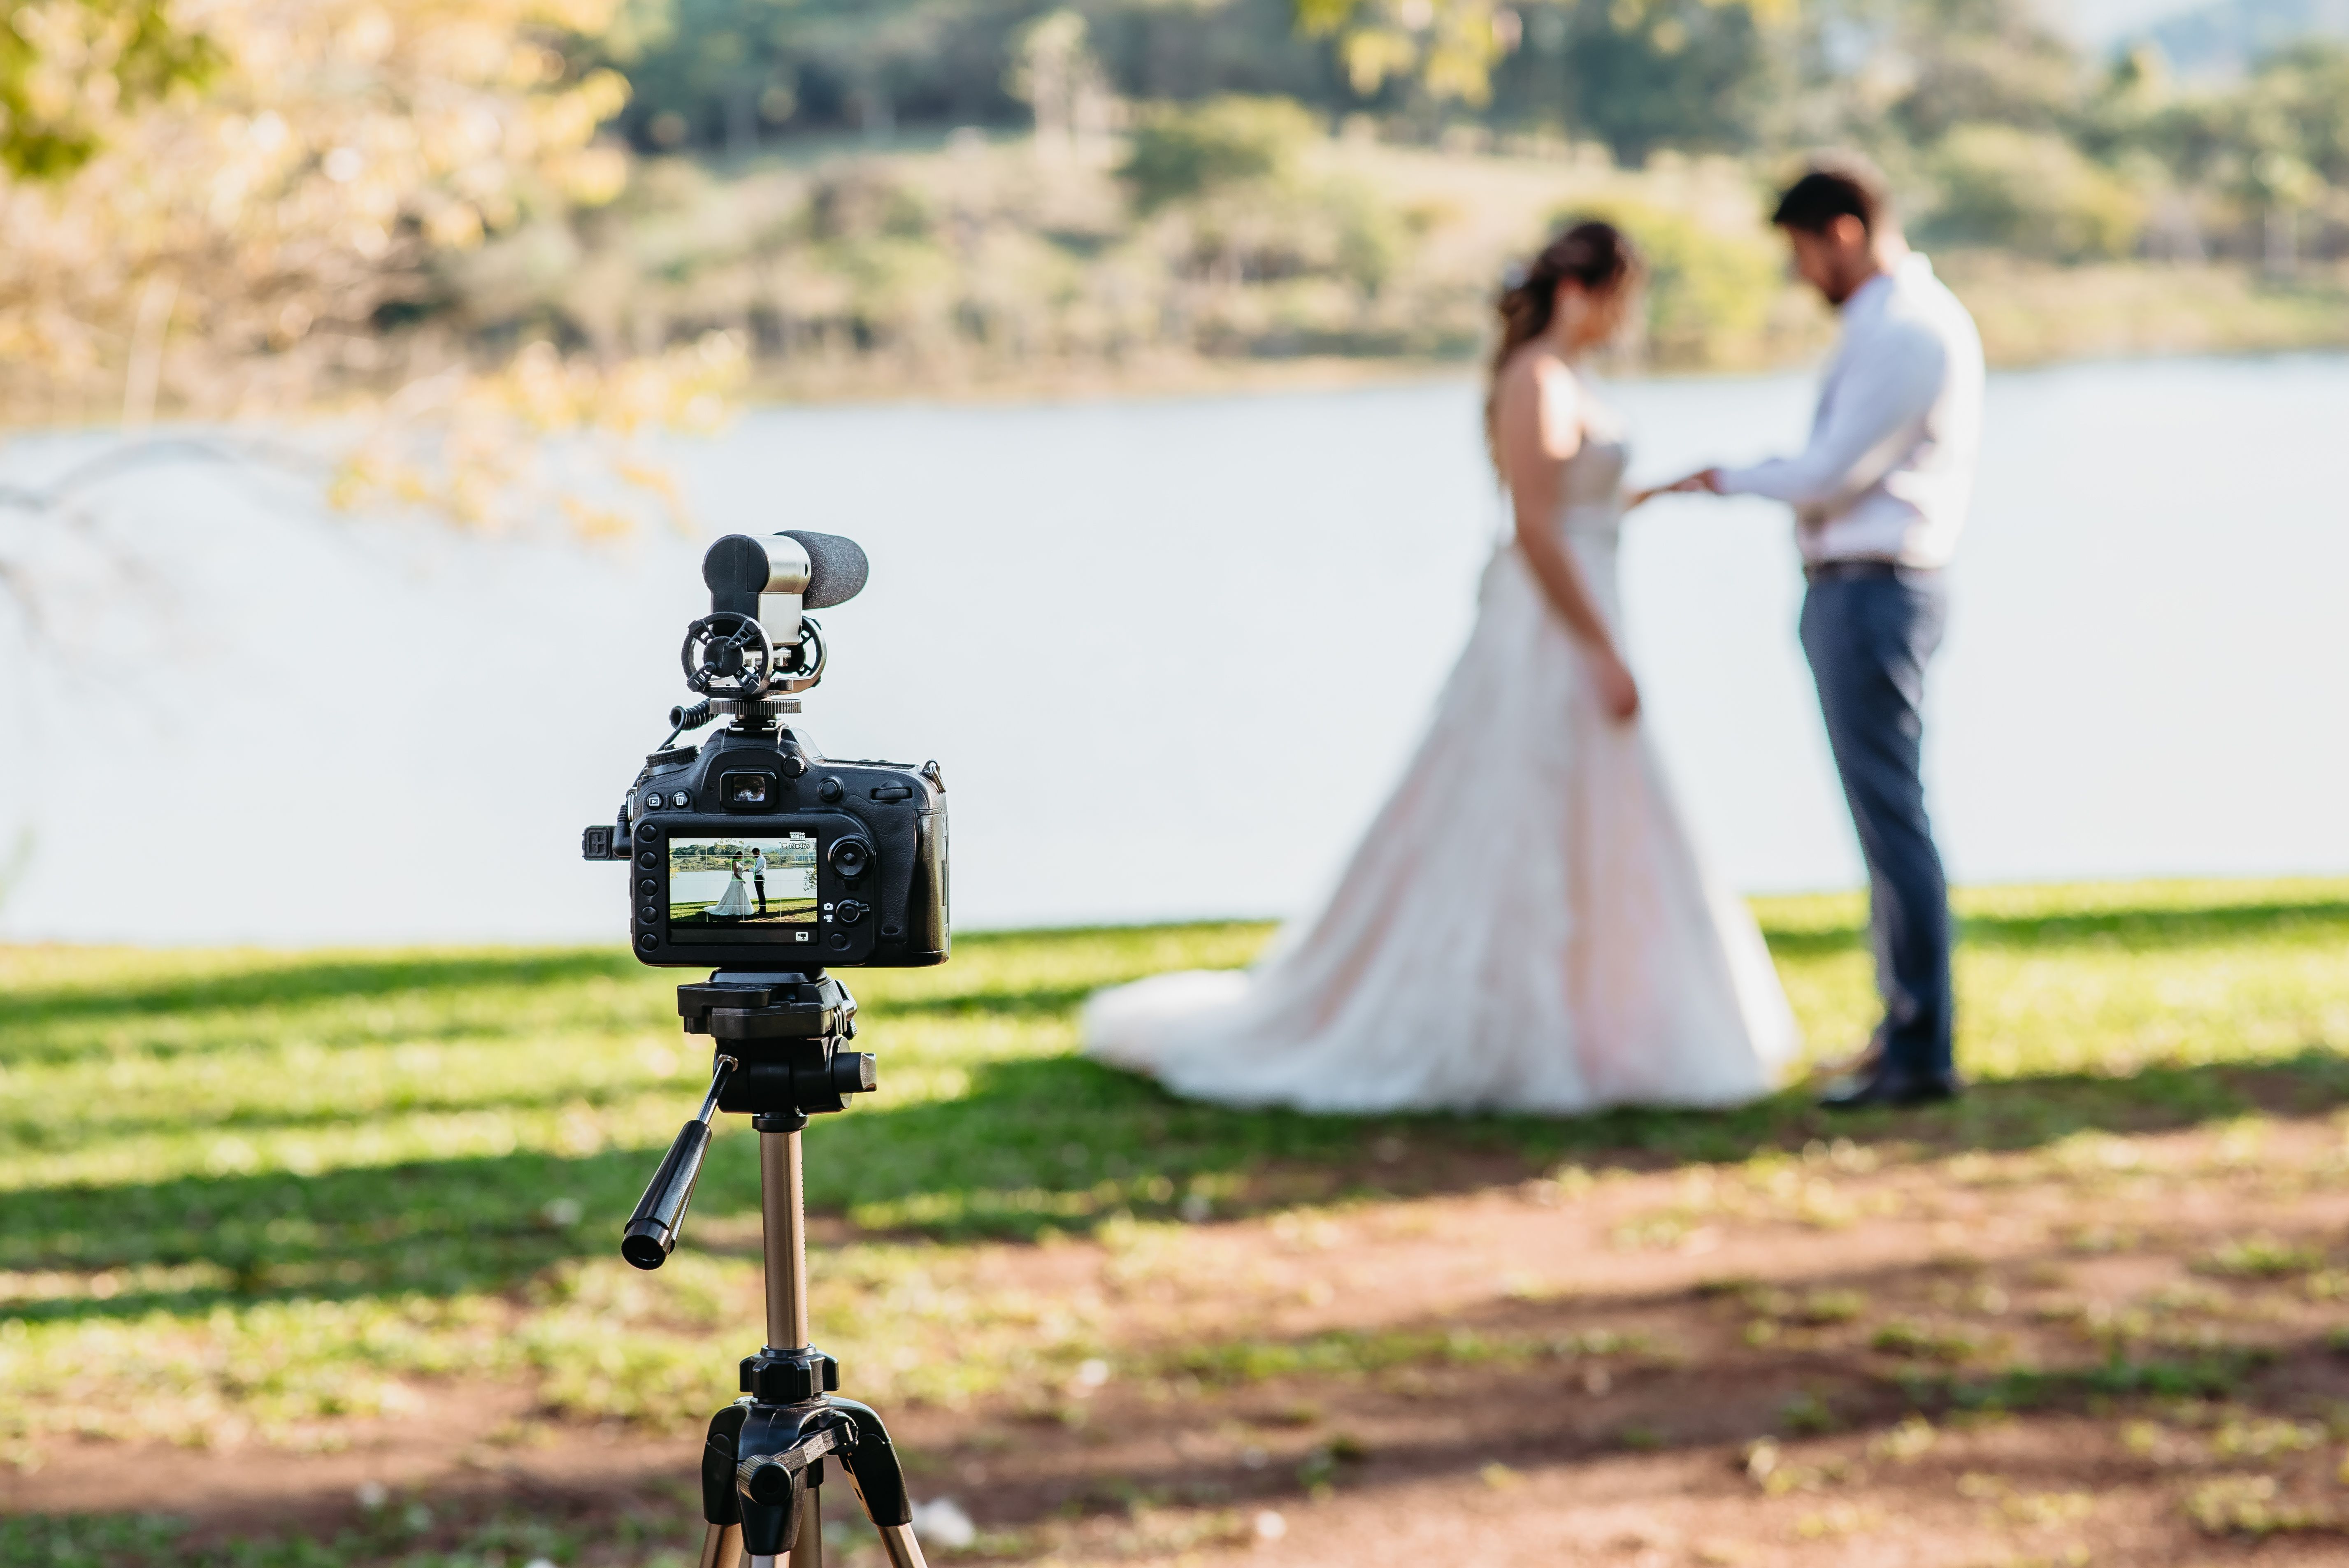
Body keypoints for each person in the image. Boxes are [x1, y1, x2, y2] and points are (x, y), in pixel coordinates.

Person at [1081, 221, 1798, 1114]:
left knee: (1597, 812)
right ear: (1580, 292)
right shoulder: (1534, 378)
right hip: (1550, 629)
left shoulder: (1563, 379)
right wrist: (1602, 651)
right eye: (1619, 299)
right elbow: (1536, 528)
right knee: (1517, 804)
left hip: (1580, 604)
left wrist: (1652, 493)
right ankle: (1504, 1025)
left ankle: (1602, 1018)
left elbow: (1578, 504)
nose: (1624, 320)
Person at [1658, 158, 1983, 1109]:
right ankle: (1902, 1025)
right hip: (1854, 585)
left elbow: (1830, 473)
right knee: (1881, 817)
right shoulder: (1882, 325)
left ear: (1841, 230)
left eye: (1803, 251)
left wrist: (1722, 477)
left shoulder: (1910, 331)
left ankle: (1921, 1044)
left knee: (1892, 817)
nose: (1801, 274)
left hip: (1876, 588)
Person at [709, 851, 757, 919]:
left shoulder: (738, 863)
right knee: (734, 894)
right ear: (739, 857)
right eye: (742, 856)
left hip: (738, 881)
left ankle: (740, 909)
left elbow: (739, 871)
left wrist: (743, 872)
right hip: (736, 881)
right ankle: (733, 909)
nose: (742, 858)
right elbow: (735, 873)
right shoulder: (735, 863)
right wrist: (742, 880)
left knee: (740, 894)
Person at [751, 847, 769, 915]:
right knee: (759, 894)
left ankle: (763, 911)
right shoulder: (759, 859)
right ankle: (761, 909)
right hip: (757, 877)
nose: (754, 856)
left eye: (754, 854)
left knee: (761, 894)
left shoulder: (762, 859)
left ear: (758, 853)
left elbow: (757, 870)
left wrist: (749, 870)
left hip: (760, 877)